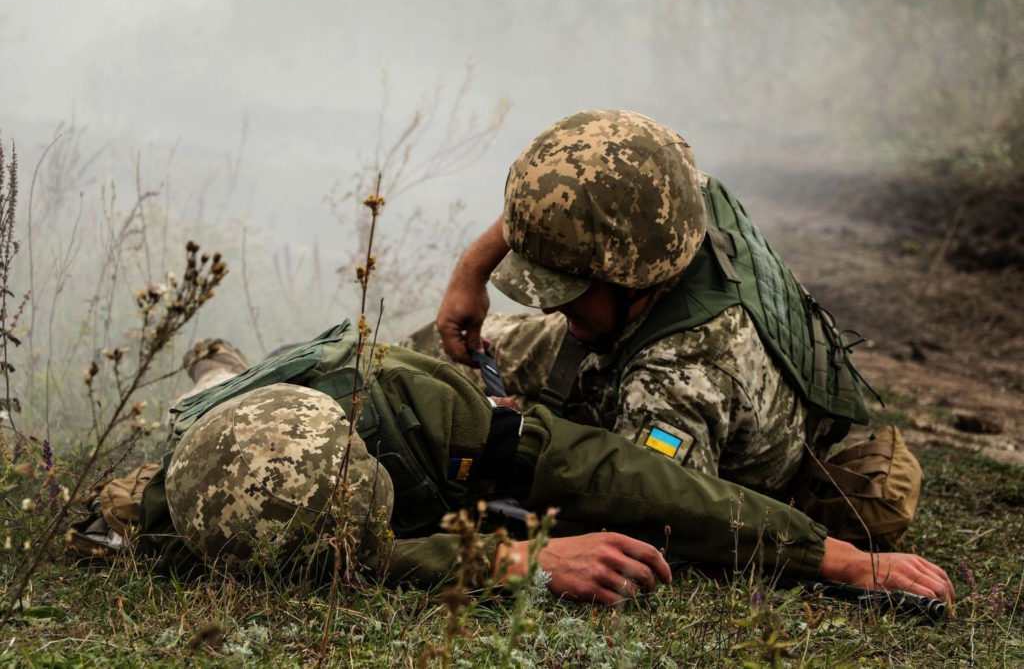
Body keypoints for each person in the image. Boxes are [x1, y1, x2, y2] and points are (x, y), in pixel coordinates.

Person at [128, 324, 952, 607]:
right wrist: (512, 559)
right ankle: (217, 367)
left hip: (367, 389)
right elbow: (369, 558)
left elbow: (613, 473)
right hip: (220, 429)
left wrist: (829, 554)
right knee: (206, 396)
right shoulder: (170, 516)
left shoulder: (422, 407)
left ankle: (223, 361)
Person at [412, 109, 920, 547]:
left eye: (567, 288)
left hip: (691, 421)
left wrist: (514, 443)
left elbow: (645, 517)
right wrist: (471, 274)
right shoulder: (666, 201)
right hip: (629, 329)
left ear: (631, 273)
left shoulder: (681, 377)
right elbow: (562, 204)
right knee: (429, 359)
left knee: (458, 426)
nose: (548, 308)